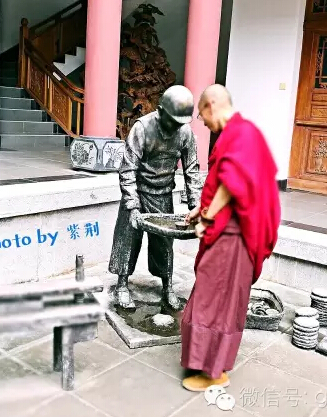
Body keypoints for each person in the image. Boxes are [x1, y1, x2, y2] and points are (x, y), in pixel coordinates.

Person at [180, 84, 281, 391]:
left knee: (215, 301)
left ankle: (214, 372)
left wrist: (209, 216)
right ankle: (207, 363)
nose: (204, 122)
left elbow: (235, 181)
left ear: (211, 105)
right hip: (228, 232)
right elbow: (229, 179)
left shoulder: (242, 133)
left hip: (233, 237)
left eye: (201, 114)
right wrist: (202, 208)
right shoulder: (239, 133)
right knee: (212, 298)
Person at [108, 85, 202, 311]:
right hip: (138, 192)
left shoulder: (185, 133)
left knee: (164, 244)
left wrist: (196, 205)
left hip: (163, 195)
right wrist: (132, 205)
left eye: (180, 122)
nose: (176, 126)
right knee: (129, 239)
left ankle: (167, 285)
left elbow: (192, 171)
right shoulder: (142, 128)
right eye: (172, 120)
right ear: (160, 111)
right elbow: (128, 169)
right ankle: (122, 283)